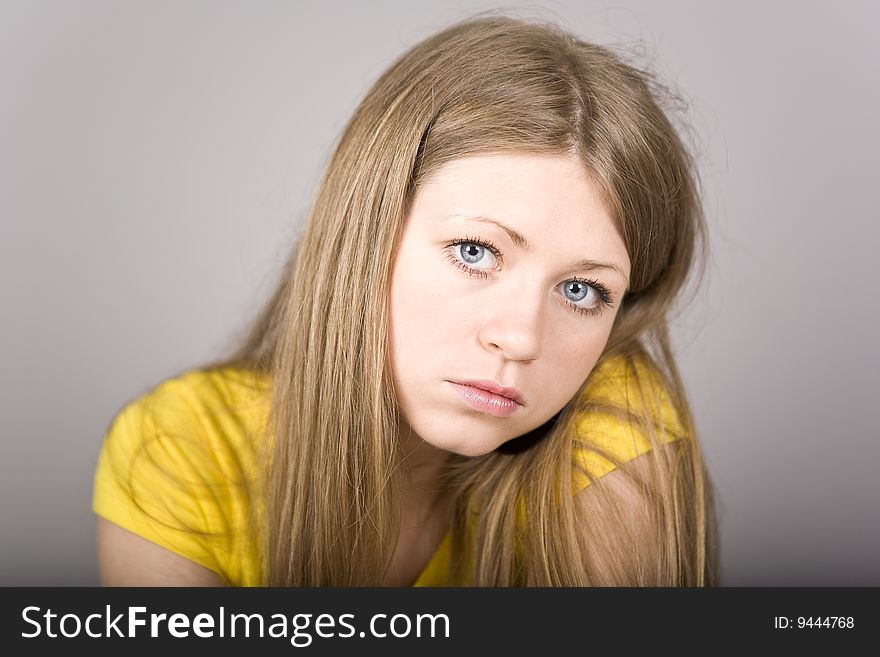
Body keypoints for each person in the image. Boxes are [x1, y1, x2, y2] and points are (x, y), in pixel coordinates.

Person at [93, 14, 719, 587]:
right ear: (366, 235)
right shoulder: (184, 448)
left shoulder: (612, 425)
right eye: (476, 252)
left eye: (581, 291)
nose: (521, 338)